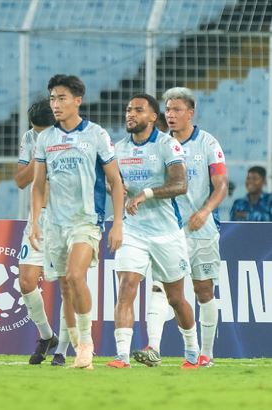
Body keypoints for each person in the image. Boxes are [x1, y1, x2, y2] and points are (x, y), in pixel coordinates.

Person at [30, 75, 124, 370]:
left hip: (86, 220)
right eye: (52, 99)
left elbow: (115, 181)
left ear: (77, 101)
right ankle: (74, 344)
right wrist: (35, 222)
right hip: (54, 223)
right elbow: (37, 185)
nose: (55, 104)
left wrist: (118, 223)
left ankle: (86, 344)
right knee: (65, 287)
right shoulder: (45, 139)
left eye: (61, 98)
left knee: (74, 276)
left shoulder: (96, 134)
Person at [132, 88, 228, 368]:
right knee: (160, 288)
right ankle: (153, 347)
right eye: (168, 110)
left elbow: (221, 185)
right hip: (167, 230)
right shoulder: (160, 144)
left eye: (177, 109)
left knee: (203, 291)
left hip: (202, 230)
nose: (171, 115)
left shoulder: (208, 143)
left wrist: (205, 212)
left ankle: (206, 354)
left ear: (190, 113)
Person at [109, 93, 199, 369]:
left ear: (152, 117)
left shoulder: (167, 145)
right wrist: (117, 188)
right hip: (133, 230)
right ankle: (122, 356)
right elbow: (111, 183)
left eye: (138, 110)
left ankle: (192, 351)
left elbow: (180, 185)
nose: (130, 114)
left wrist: (144, 194)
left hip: (166, 232)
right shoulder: (119, 149)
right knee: (126, 287)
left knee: (175, 298)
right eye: (128, 109)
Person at [15, 98, 78, 366]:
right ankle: (46, 335)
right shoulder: (30, 138)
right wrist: (40, 153)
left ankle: (62, 349)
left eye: (43, 131)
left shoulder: (74, 139)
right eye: (35, 129)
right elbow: (21, 180)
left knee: (68, 284)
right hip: (38, 218)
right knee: (26, 281)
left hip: (66, 218)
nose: (37, 134)